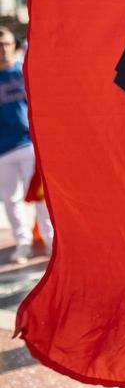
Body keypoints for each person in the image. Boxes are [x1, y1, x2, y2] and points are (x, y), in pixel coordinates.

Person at [0, 27, 52, 265]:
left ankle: (51, 240)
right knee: (10, 199)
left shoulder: (24, 70)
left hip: (30, 143)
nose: (3, 50)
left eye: (6, 44)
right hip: (3, 149)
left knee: (40, 195)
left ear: (13, 45)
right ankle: (23, 243)